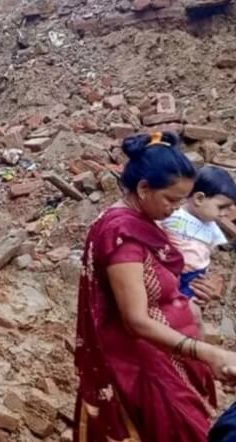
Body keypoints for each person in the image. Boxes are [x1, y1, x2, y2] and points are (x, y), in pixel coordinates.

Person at [74, 132, 236, 442]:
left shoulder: (142, 221)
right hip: (143, 364)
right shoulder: (122, 235)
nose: (177, 208)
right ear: (144, 188)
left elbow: (156, 284)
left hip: (166, 353)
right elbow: (136, 320)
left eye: (181, 200)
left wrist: (191, 295)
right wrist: (208, 352)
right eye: (171, 200)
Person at [161, 165, 235, 330]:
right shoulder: (173, 216)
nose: (224, 213)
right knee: (187, 313)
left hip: (196, 276)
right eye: (221, 207)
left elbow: (210, 252)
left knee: (191, 313)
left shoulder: (210, 225)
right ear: (199, 198)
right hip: (173, 273)